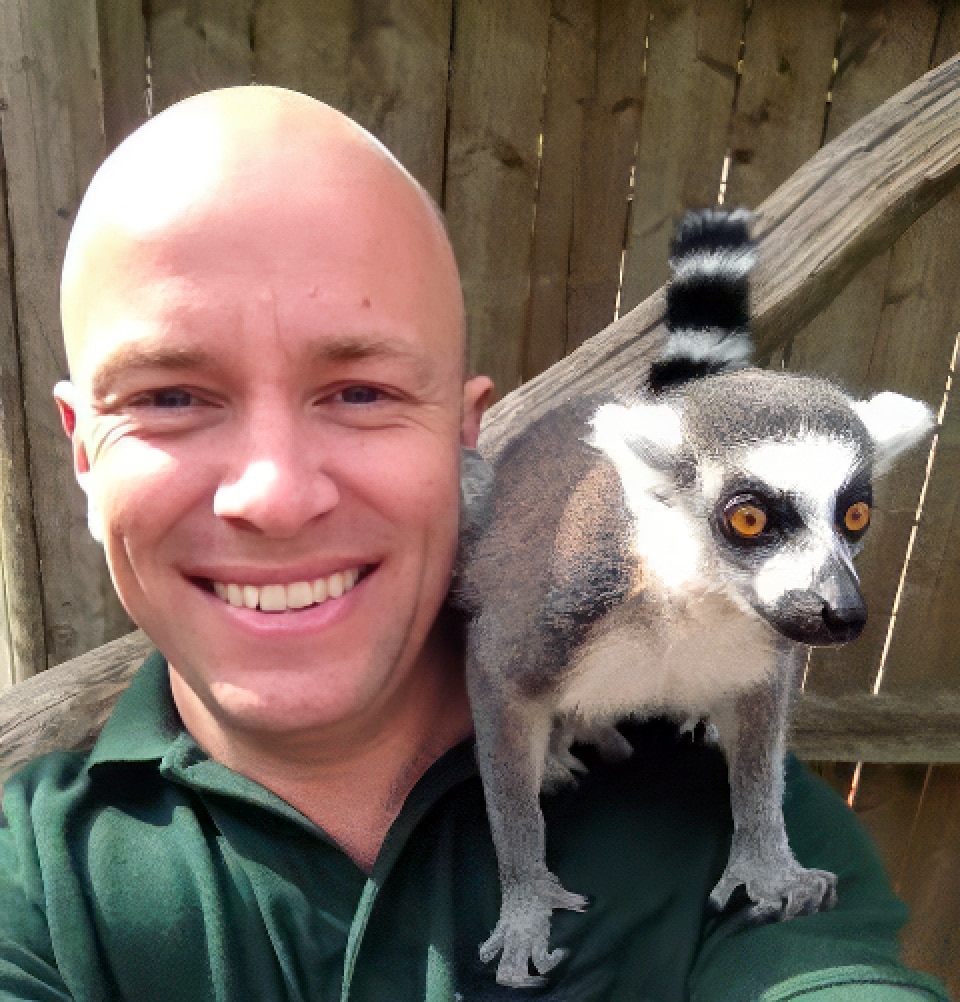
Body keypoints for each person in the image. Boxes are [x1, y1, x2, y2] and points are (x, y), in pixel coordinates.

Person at [0, 86, 950, 1002]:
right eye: (169, 398)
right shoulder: (36, 878)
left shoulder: (709, 803)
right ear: (81, 451)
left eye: (362, 392)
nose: (275, 499)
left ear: (460, 444)